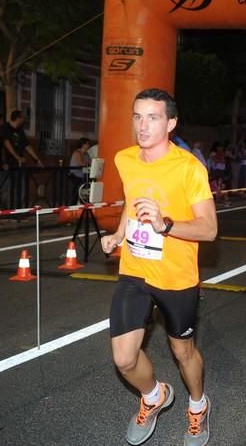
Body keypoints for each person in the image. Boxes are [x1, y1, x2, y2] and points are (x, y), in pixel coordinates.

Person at [100, 88, 217, 446]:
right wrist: (119, 233)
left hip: (177, 277)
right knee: (123, 358)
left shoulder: (189, 168)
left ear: (171, 123)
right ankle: (154, 396)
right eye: (137, 116)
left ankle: (198, 405)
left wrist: (166, 225)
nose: (143, 125)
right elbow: (132, 200)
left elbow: (209, 229)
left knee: (183, 351)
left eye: (152, 117)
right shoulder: (125, 159)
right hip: (135, 269)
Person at [1, 110, 42, 208]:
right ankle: (6, 211)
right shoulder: (5, 128)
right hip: (8, 162)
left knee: (21, 188)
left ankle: (19, 210)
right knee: (7, 189)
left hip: (20, 164)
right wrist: (17, 157)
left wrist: (37, 159)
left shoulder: (20, 130)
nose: (24, 120)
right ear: (18, 118)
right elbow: (6, 144)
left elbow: (27, 145)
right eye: (23, 118)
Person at [68, 137, 91, 204]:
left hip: (84, 175)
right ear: (83, 144)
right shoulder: (77, 152)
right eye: (87, 144)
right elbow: (80, 163)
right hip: (76, 175)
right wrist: (88, 164)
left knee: (83, 192)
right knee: (76, 192)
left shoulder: (86, 154)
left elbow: (90, 162)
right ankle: (72, 206)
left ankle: (83, 204)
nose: (88, 145)